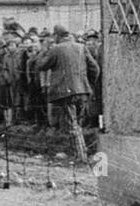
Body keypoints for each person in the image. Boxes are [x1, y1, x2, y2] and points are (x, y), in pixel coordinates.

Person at [33, 25, 100, 164]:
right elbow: (95, 68)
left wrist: (44, 49)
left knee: (72, 125)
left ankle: (80, 157)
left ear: (57, 36)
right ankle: (81, 153)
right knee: (78, 123)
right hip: (83, 91)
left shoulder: (56, 49)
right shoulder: (81, 47)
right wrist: (88, 84)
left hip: (66, 92)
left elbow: (40, 65)